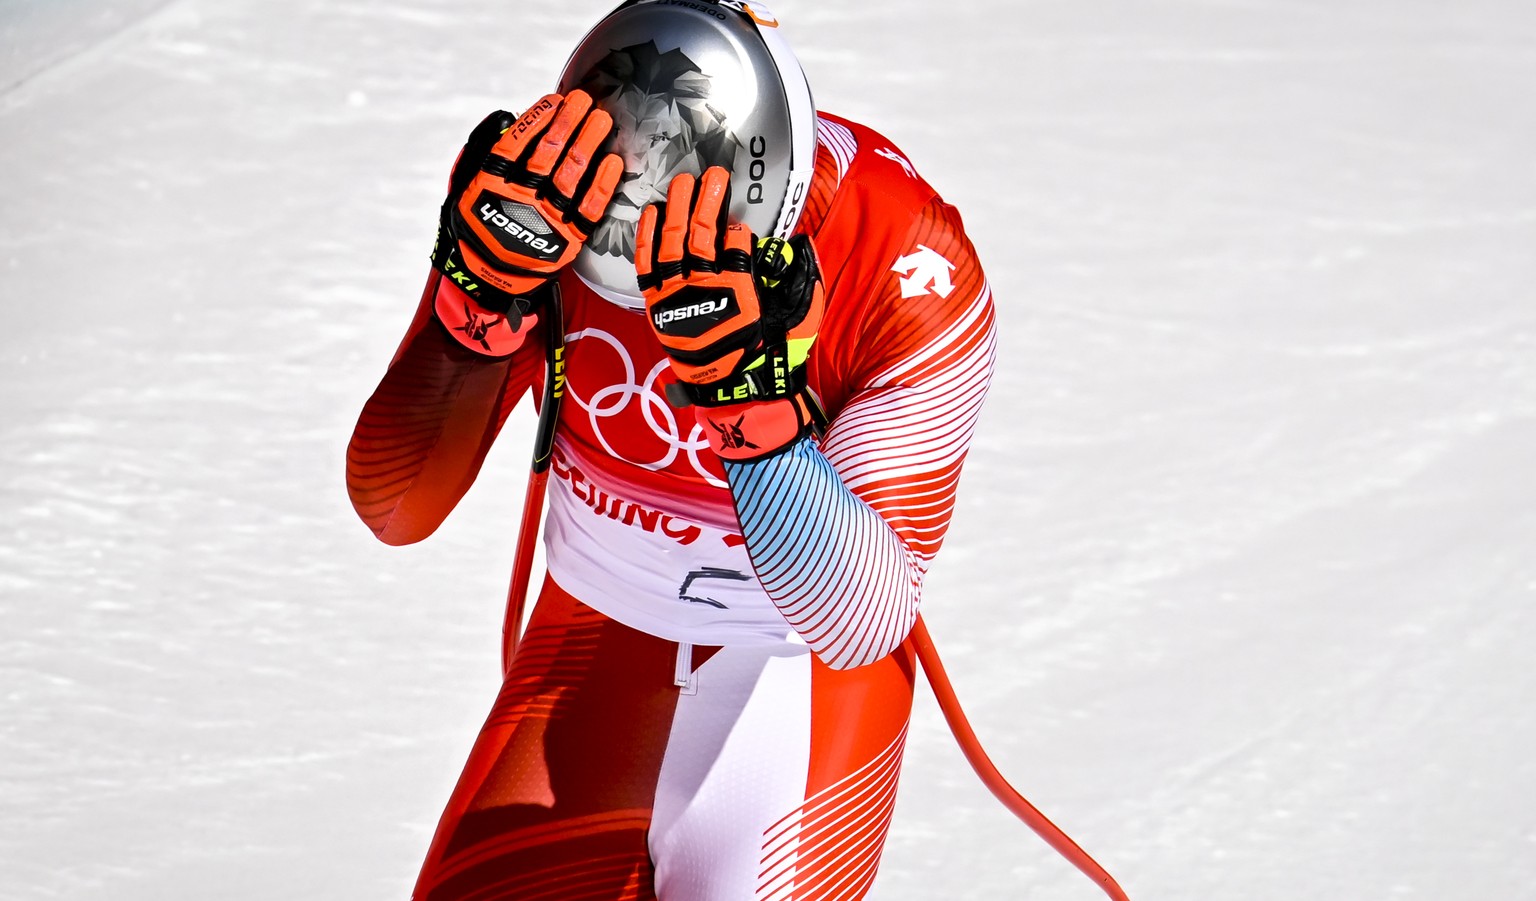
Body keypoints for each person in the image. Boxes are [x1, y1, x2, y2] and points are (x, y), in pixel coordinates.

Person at [346, 1, 996, 898]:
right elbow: (397, 503)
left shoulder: (910, 263)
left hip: (790, 680)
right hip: (594, 639)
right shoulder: (537, 191)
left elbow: (861, 620)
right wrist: (474, 313)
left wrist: (752, 408)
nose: (637, 279)